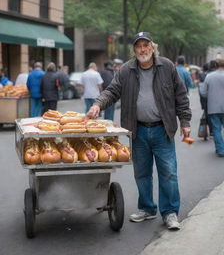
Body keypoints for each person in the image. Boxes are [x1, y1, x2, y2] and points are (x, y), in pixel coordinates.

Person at [87, 32, 191, 230]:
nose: (143, 49)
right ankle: (146, 208)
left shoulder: (167, 66)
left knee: (168, 173)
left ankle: (169, 213)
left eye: (146, 45)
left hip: (162, 130)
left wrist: (185, 121)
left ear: (152, 47)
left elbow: (181, 95)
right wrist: (98, 104)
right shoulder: (126, 70)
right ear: (134, 50)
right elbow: (112, 91)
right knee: (142, 173)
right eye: (138, 46)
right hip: (138, 130)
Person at [199, 58, 224, 157]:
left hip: (213, 107)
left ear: (216, 65)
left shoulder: (209, 76)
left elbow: (203, 93)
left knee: (216, 129)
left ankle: (221, 150)